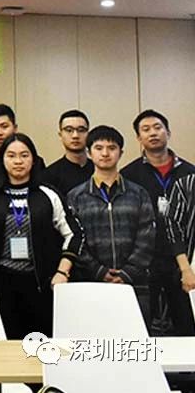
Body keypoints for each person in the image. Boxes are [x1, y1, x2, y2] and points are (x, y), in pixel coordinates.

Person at [0, 133, 75, 339]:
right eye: (11, 156)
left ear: (34, 159)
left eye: (24, 155)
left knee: (39, 346)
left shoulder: (48, 194)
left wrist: (62, 272)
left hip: (41, 284)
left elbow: (73, 235)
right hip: (0, 284)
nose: (18, 161)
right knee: (4, 345)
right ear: (2, 160)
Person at [67, 126, 155, 324]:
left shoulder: (138, 194)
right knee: (93, 338)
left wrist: (127, 272)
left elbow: (147, 237)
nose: (105, 153)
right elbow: (74, 240)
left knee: (135, 340)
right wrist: (98, 271)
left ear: (121, 153)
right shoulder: (76, 196)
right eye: (99, 148)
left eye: (112, 148)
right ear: (89, 153)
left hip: (134, 284)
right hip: (91, 284)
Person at [121, 110, 195, 336]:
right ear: (138, 138)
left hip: (183, 260)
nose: (152, 133)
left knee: (186, 323)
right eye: (146, 130)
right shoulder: (129, 175)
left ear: (168, 133)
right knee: (142, 325)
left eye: (157, 127)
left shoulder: (189, 173)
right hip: (145, 260)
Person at [166, 173, 195, 335]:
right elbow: (173, 227)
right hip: (190, 272)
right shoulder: (186, 185)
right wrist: (185, 269)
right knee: (187, 333)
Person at [42, 110, 94, 198]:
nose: (75, 135)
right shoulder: (49, 176)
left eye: (81, 130)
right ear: (60, 135)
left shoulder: (99, 170)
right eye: (69, 130)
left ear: (88, 134)